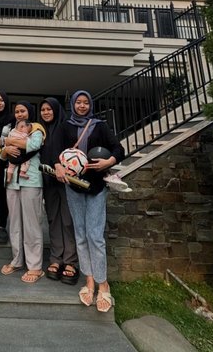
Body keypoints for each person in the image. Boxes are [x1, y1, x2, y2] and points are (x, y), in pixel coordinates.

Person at [54, 90, 124, 313]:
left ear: (90, 105)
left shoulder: (99, 125)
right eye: (78, 103)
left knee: (95, 236)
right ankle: (89, 280)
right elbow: (54, 152)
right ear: (73, 104)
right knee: (81, 235)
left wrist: (108, 162)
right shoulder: (66, 126)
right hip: (74, 187)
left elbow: (118, 149)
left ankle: (103, 283)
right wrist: (57, 167)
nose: (82, 106)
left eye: (86, 103)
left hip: (96, 187)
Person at [0, 101, 46, 283]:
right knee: (15, 223)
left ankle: (35, 267)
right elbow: (1, 155)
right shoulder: (11, 128)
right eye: (17, 111)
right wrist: (5, 148)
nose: (19, 114)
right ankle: (17, 260)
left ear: (30, 112)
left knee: (32, 224)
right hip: (12, 182)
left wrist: (7, 141)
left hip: (31, 180)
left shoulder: (36, 129)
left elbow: (33, 146)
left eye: (23, 111)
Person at [39, 97, 79, 285]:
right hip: (48, 181)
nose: (46, 112)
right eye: (43, 109)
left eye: (49, 109)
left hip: (66, 181)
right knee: (53, 218)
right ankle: (56, 258)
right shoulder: (39, 131)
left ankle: (70, 261)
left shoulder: (65, 128)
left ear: (56, 110)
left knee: (68, 219)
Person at [6, 119, 32, 183]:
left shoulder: (12, 132)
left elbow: (7, 141)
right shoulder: (24, 135)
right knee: (26, 161)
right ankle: (22, 172)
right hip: (19, 153)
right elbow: (29, 143)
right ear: (22, 127)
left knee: (11, 166)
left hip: (11, 153)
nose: (28, 131)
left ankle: (9, 178)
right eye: (27, 129)